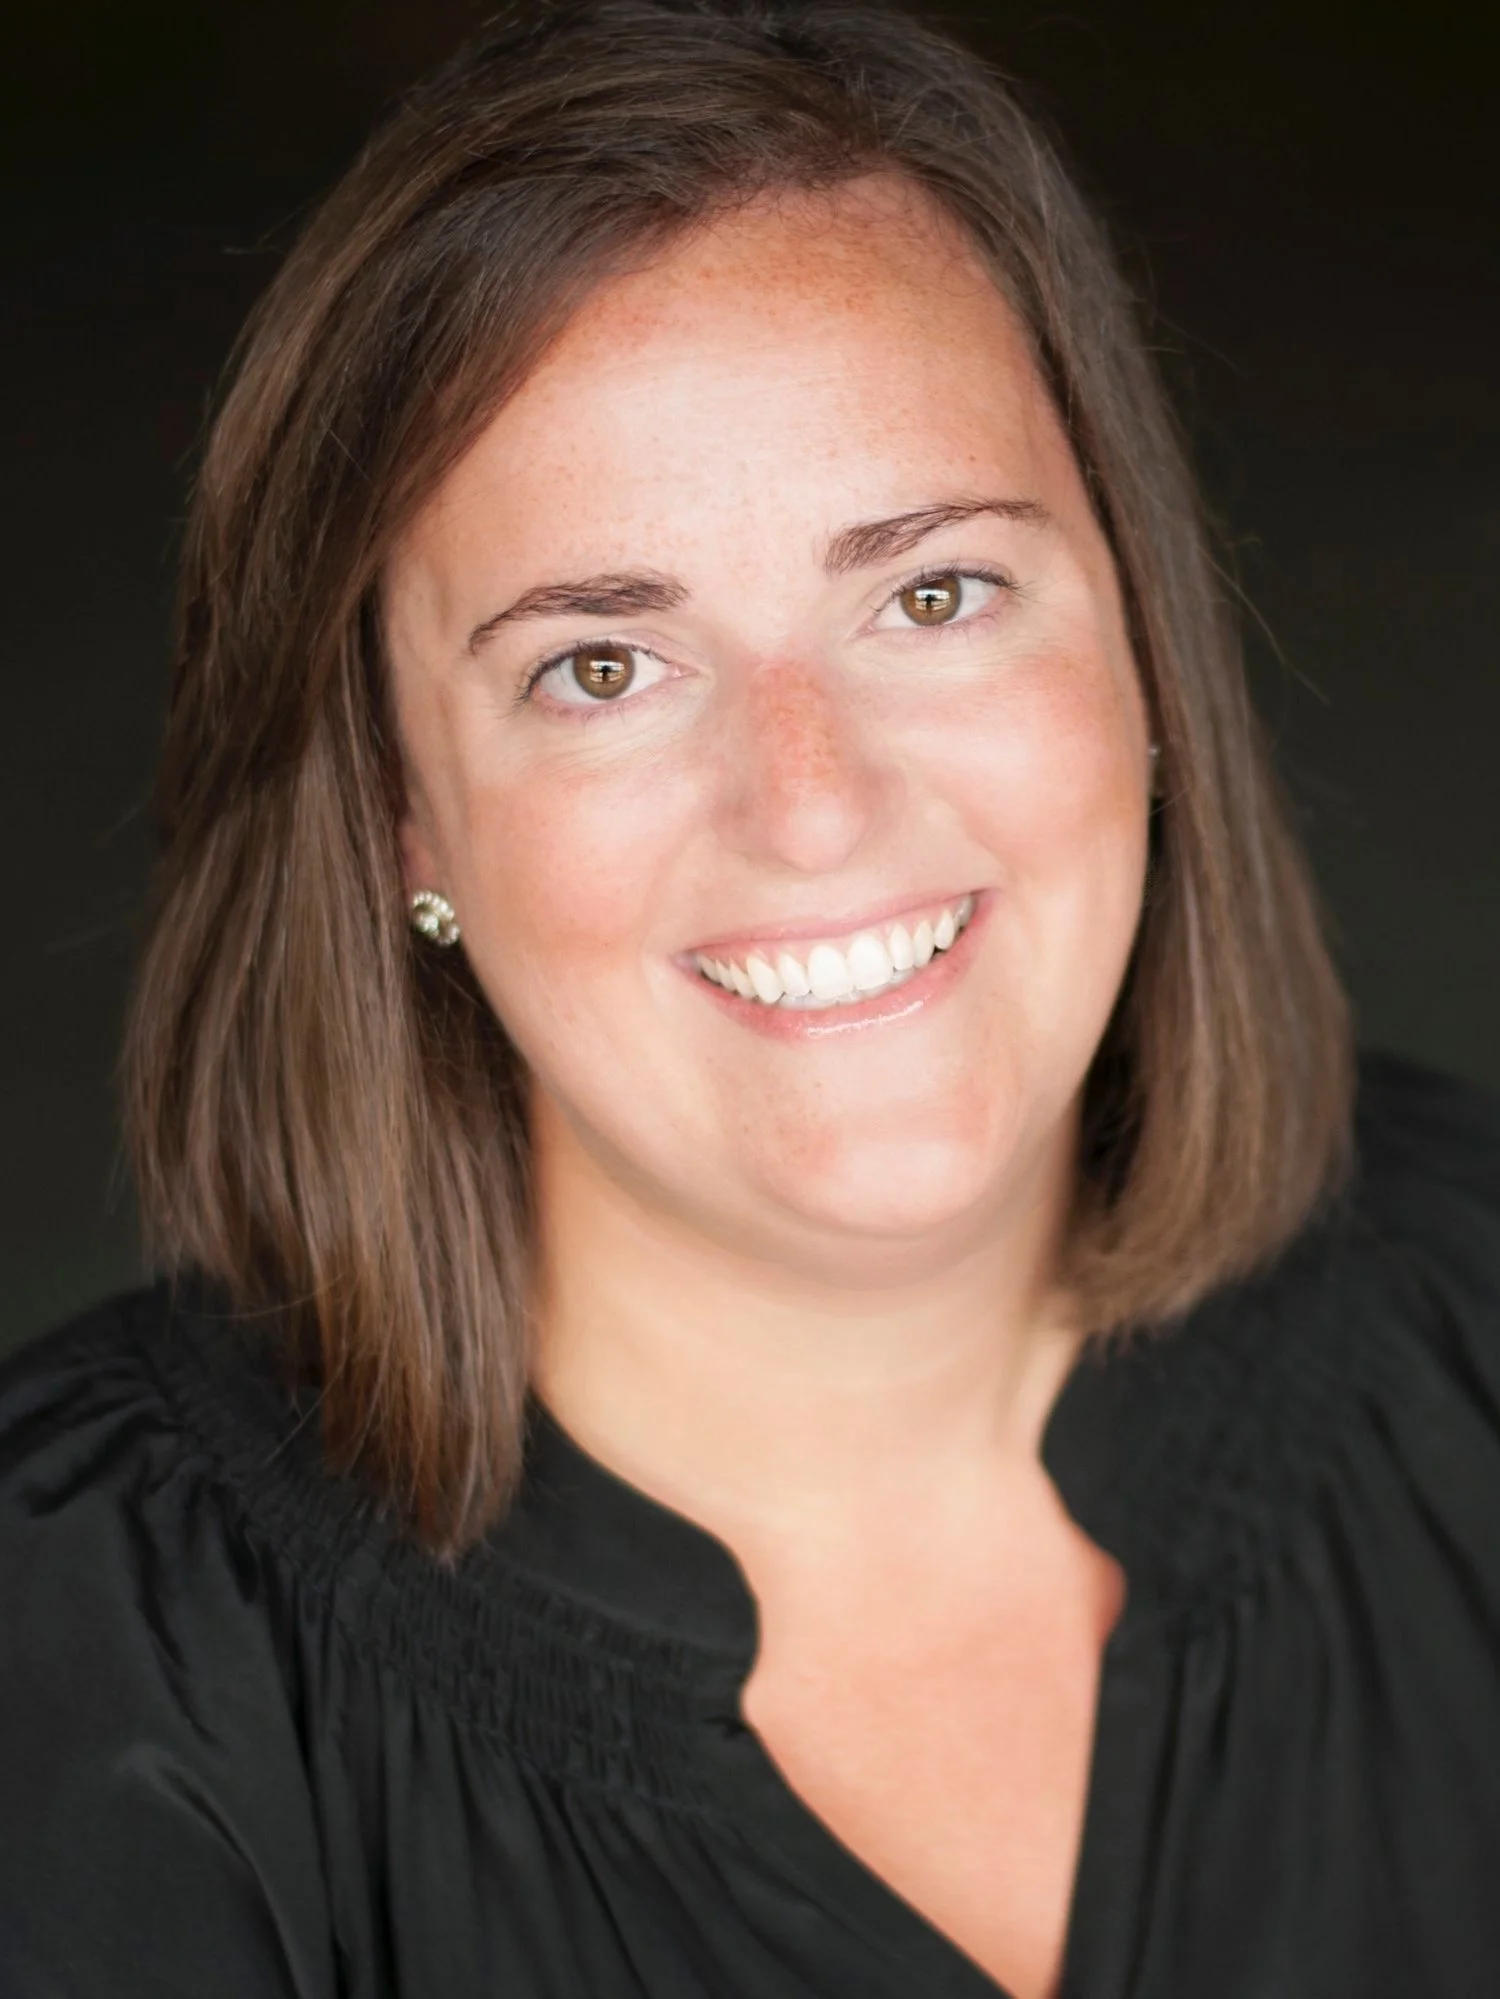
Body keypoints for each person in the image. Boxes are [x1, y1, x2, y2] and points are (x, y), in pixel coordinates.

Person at [2, 1, 1497, 1994]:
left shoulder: (1470, 1312)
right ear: (395, 822)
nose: (812, 807)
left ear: (1145, 646)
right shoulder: (87, 1649)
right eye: (598, 667)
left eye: (934, 592)